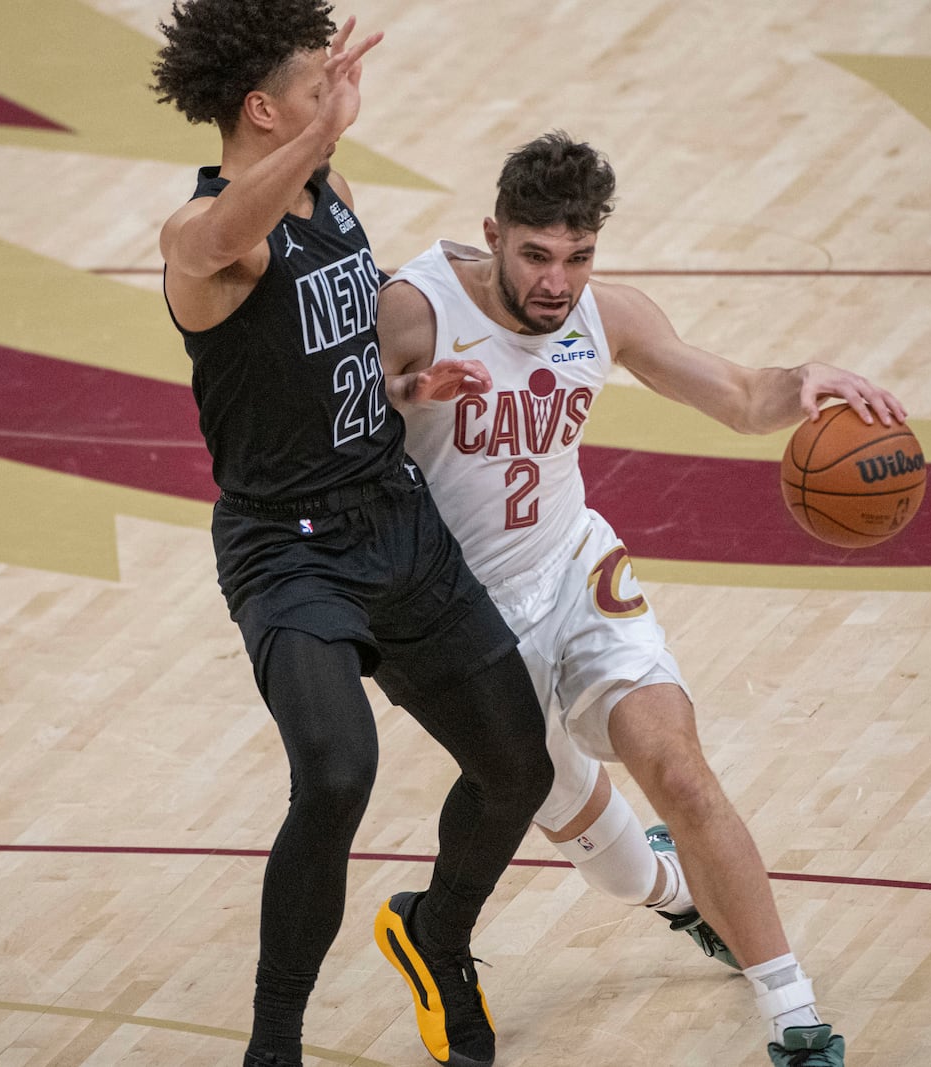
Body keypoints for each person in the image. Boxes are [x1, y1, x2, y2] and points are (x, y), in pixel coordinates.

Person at [378, 131, 909, 1067]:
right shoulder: (418, 311)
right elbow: (330, 427)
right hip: (466, 618)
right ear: (492, 234)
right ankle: (673, 892)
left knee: (681, 768)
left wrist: (803, 384)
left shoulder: (607, 314)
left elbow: (743, 396)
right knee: (620, 870)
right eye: (536, 255)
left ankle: (795, 1018)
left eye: (577, 256)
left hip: (577, 572)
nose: (556, 280)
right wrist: (404, 389)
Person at [152, 6, 554, 1067]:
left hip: (392, 515)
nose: (336, 96)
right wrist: (318, 137)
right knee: (334, 774)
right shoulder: (198, 243)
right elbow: (232, 234)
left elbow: (331, 347)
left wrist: (400, 384)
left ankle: (439, 934)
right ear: (264, 109)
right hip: (287, 551)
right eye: (314, 82)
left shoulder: (329, 196)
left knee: (518, 767)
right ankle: (273, 1041)